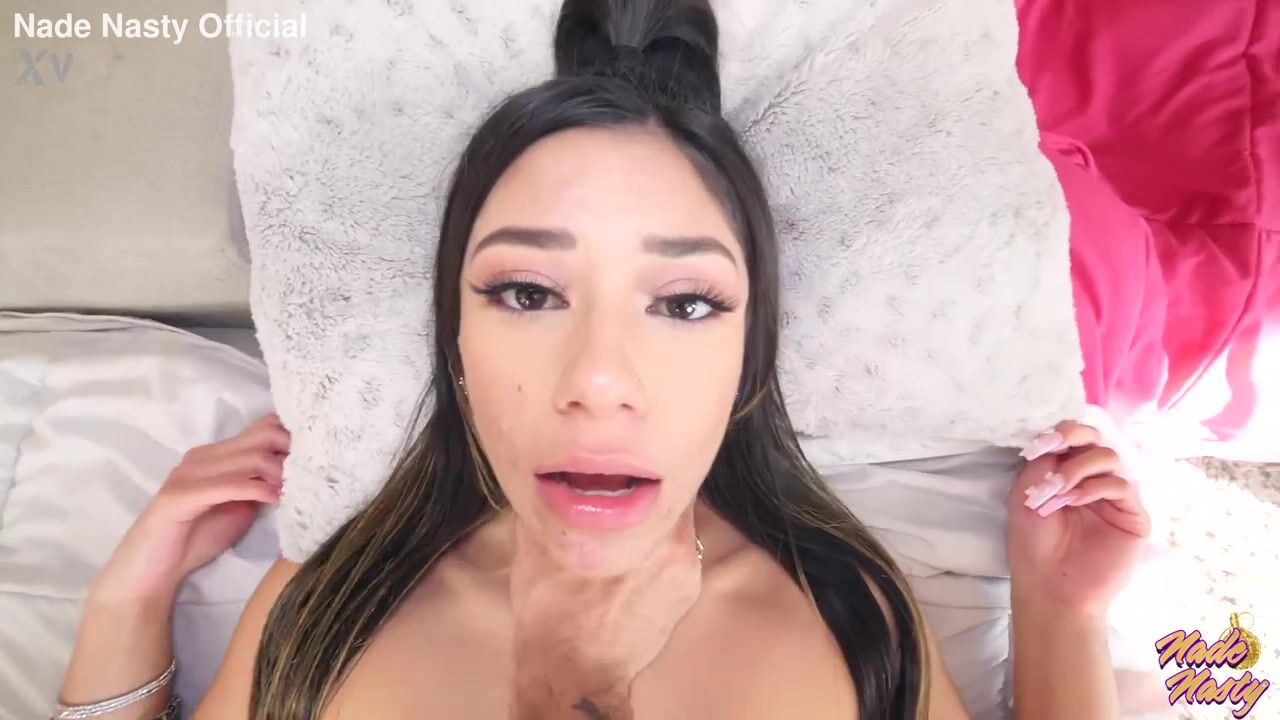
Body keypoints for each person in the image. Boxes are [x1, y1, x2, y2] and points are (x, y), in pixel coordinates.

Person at [55, 0, 1151, 718]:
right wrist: (130, 596)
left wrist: (1060, 617)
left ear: (747, 358)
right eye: (527, 293)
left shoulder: (851, 612)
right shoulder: (330, 594)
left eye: (684, 303)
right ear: (454, 339)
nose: (597, 381)